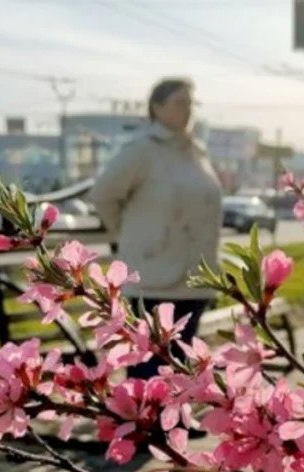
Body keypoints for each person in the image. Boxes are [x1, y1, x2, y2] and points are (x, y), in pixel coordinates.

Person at [90, 77, 222, 381]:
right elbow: (103, 195)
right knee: (150, 368)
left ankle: (176, 412)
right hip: (154, 278)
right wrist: (130, 236)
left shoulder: (196, 152)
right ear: (157, 107)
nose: (187, 110)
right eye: (179, 102)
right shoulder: (142, 150)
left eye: (191, 103)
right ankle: (145, 413)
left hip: (195, 277)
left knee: (182, 366)